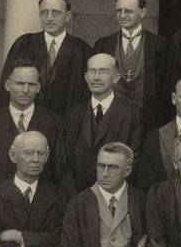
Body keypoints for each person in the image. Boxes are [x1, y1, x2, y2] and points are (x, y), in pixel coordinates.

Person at [57, 53, 143, 195]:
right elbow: (64, 160)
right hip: (76, 196)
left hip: (115, 196)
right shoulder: (72, 114)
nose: (96, 77)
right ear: (86, 77)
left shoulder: (132, 114)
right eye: (92, 71)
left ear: (115, 78)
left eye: (103, 71)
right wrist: (74, 196)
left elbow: (134, 158)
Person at [0, 0, 94, 112]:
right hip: (28, 122)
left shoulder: (82, 50)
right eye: (44, 12)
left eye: (56, 12)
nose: (49, 18)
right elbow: (5, 89)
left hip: (67, 124)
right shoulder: (24, 44)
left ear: (67, 16)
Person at [0, 60, 62, 187]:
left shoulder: (54, 123)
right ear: (8, 85)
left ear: (38, 88)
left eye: (31, 85)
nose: (25, 90)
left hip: (40, 203)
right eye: (20, 83)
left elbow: (60, 171)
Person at [93, 0, 170, 129]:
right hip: (112, 118)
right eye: (119, 11)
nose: (122, 16)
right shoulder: (104, 44)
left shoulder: (159, 44)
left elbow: (165, 86)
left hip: (148, 118)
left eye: (128, 11)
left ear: (142, 13)